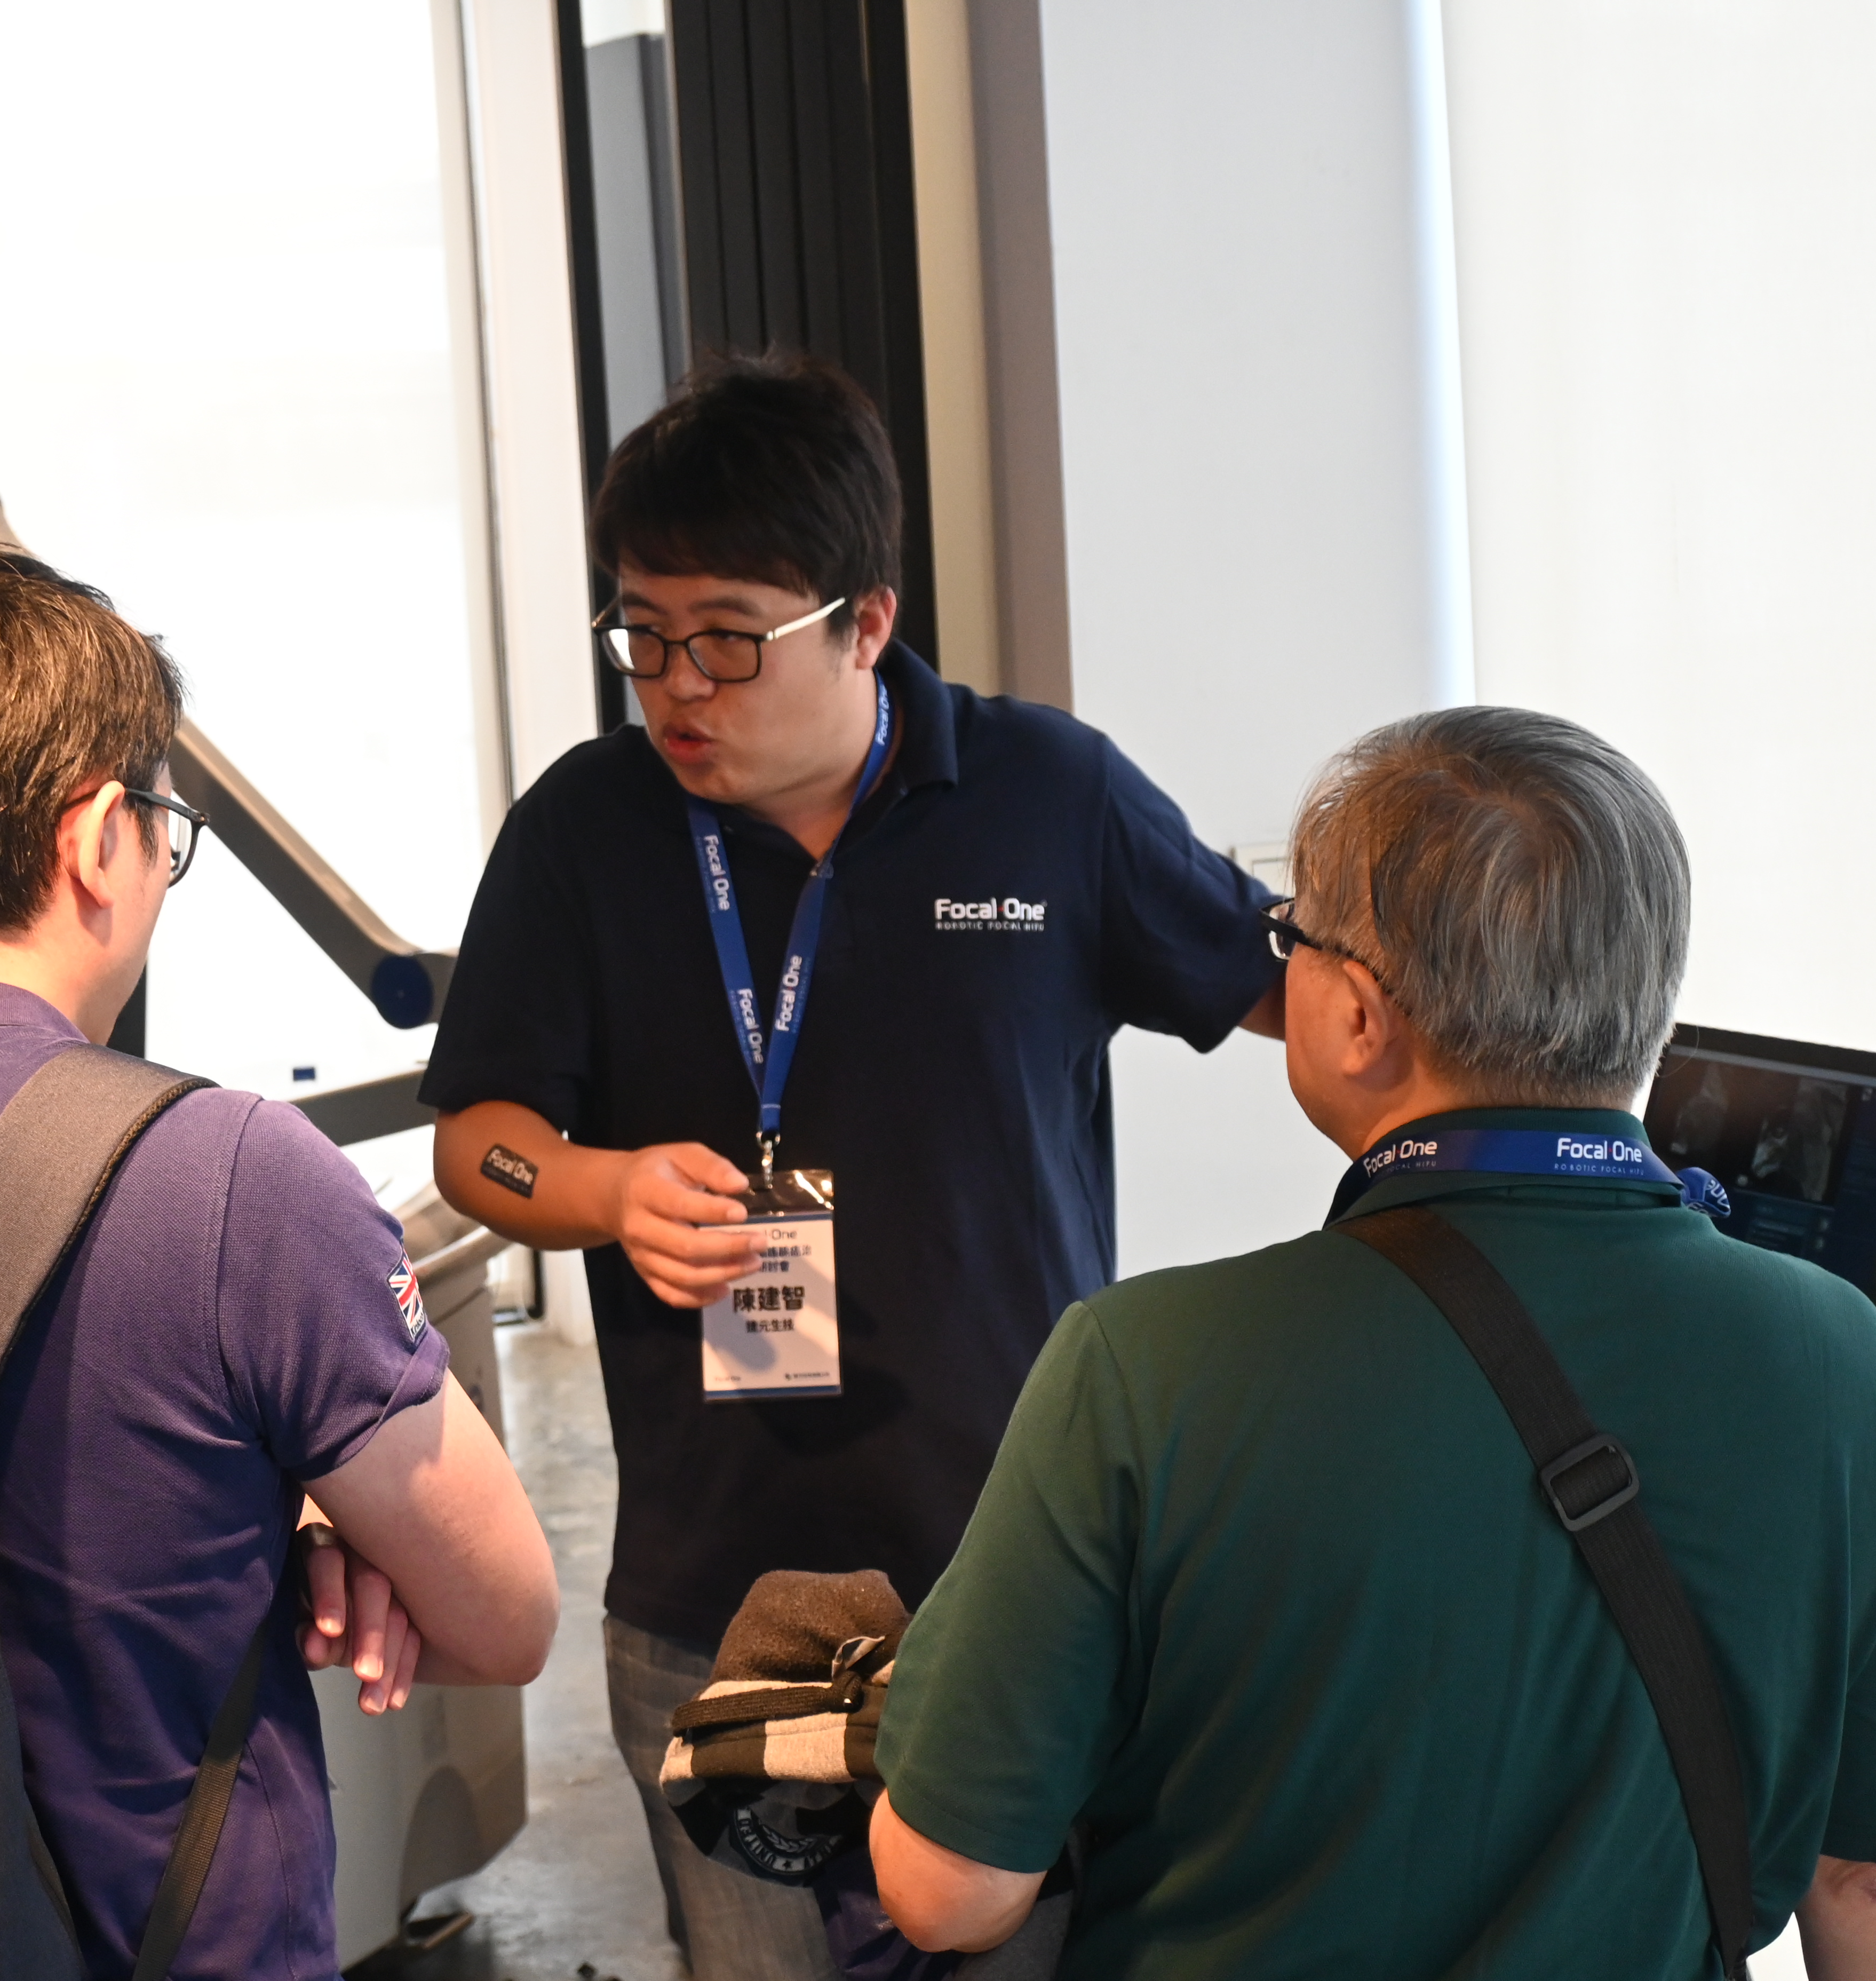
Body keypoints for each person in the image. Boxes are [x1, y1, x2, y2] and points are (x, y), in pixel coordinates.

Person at [867, 708, 1876, 1979]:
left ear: (1361, 1017)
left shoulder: (1140, 1365)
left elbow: (949, 1890)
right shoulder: (1851, 1363)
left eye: (1292, 938)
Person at [420, 353, 1284, 1979]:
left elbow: (1295, 1001)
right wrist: (602, 1193)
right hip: (711, 1590)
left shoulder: (1048, 798)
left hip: (1016, 1577)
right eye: (642, 634)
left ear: (865, 621)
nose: (677, 687)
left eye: (728, 637)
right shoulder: (588, 829)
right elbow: (481, 1147)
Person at [0, 542, 558, 1976]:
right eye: (165, 827)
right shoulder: (222, 1178)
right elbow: (503, 1613)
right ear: (99, 835)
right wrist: (308, 1519)